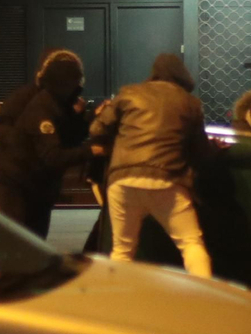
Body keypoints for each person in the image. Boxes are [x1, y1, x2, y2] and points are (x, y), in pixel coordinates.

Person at [88, 53, 212, 277]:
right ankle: (203, 297)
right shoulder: (190, 103)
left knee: (122, 250)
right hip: (168, 180)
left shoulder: (129, 94)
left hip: (123, 179)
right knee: (191, 243)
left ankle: (117, 302)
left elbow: (97, 130)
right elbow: (201, 151)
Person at [0, 55, 97, 238]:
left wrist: (84, 119)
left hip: (39, 180)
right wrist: (25, 149)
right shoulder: (36, 102)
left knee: (35, 237)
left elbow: (67, 136)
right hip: (19, 178)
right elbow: (52, 153)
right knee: (19, 237)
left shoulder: (59, 102)